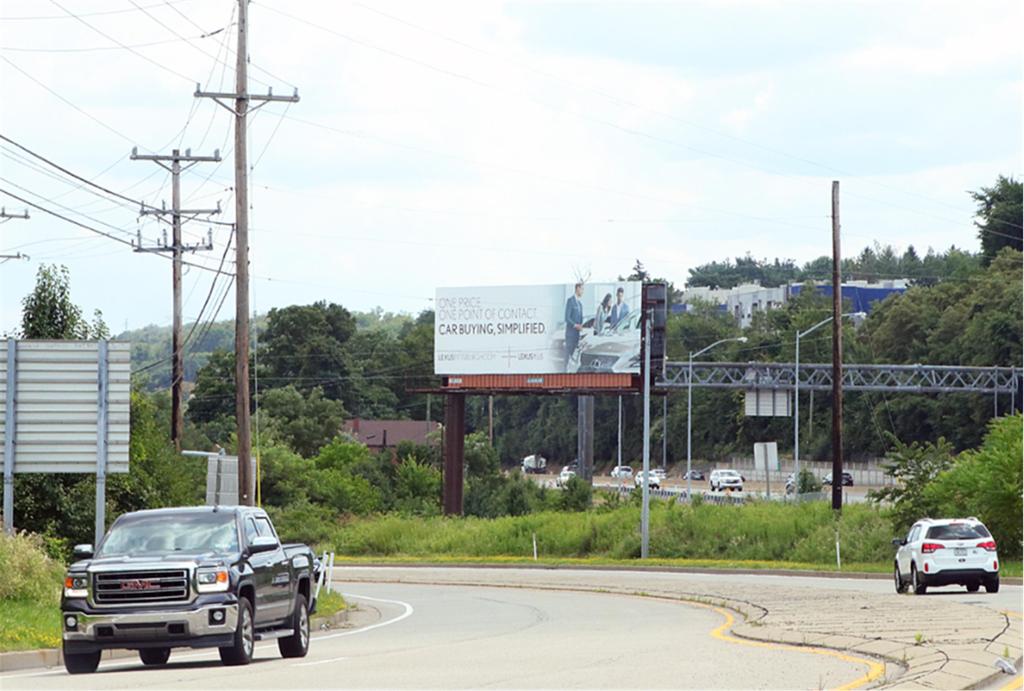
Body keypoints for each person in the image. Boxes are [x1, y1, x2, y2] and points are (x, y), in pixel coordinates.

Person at [564, 283, 584, 369]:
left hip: (577, 335)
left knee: (575, 359)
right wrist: (576, 325)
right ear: (577, 288)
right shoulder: (570, 301)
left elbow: (580, 319)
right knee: (568, 357)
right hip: (570, 335)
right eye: (582, 289)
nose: (583, 291)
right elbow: (567, 318)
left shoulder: (580, 304)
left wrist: (581, 326)